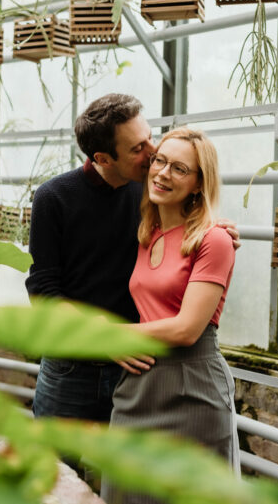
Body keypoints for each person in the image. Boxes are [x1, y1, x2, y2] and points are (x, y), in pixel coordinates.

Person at [26, 94, 239, 425]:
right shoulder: (53, 197)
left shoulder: (150, 190)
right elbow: (43, 292)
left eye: (150, 137)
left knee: (121, 472)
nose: (153, 153)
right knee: (54, 469)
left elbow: (187, 225)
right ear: (104, 158)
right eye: (138, 148)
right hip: (71, 366)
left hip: (140, 364)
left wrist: (215, 228)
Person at [101, 127, 238, 504]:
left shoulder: (215, 239)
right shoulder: (148, 233)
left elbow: (186, 329)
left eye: (179, 168)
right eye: (160, 161)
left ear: (198, 183)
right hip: (139, 384)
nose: (163, 173)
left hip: (192, 388)